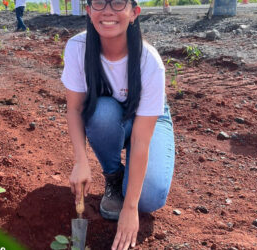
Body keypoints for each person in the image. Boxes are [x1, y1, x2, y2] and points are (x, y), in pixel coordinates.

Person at [61, 0, 175, 249]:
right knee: (100, 112)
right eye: (99, 3)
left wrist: (131, 207)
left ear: (134, 13)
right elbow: (75, 108)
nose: (108, 11)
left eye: (118, 3)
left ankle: (130, 191)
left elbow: (141, 139)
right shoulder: (77, 48)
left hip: (145, 122)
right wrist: (81, 161)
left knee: (149, 198)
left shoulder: (149, 61)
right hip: (109, 117)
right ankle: (114, 177)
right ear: (89, 11)